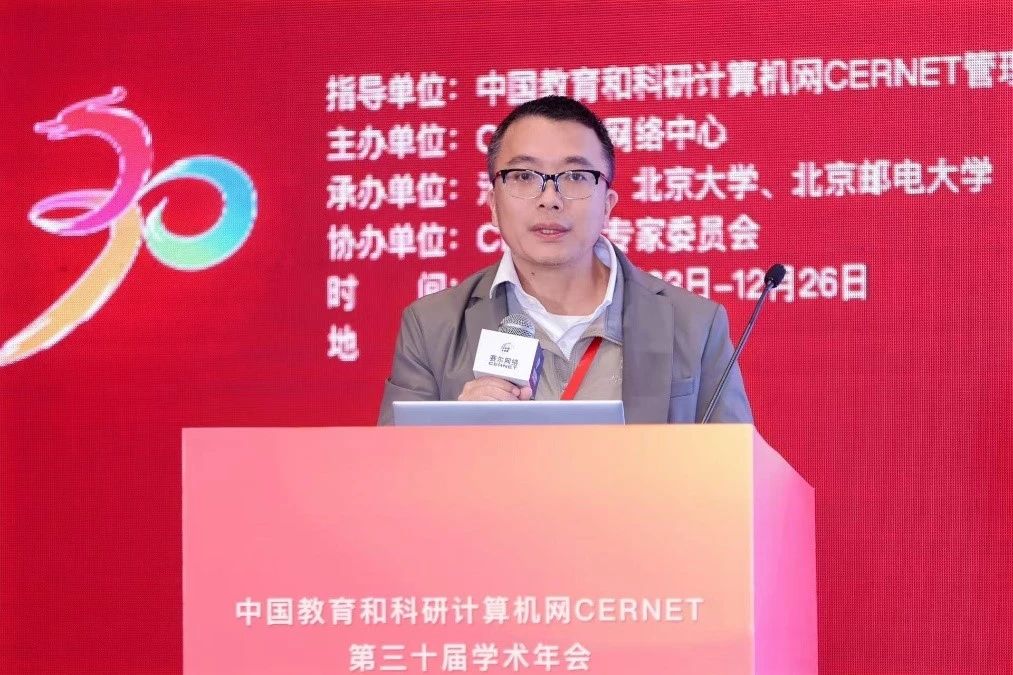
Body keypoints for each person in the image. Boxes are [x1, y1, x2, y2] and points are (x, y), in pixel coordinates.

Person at [377, 96, 751, 425]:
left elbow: (737, 470)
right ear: (492, 204)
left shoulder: (695, 325)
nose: (550, 199)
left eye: (575, 176)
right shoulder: (431, 326)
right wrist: (451, 433)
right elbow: (393, 471)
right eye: (523, 176)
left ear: (607, 205)